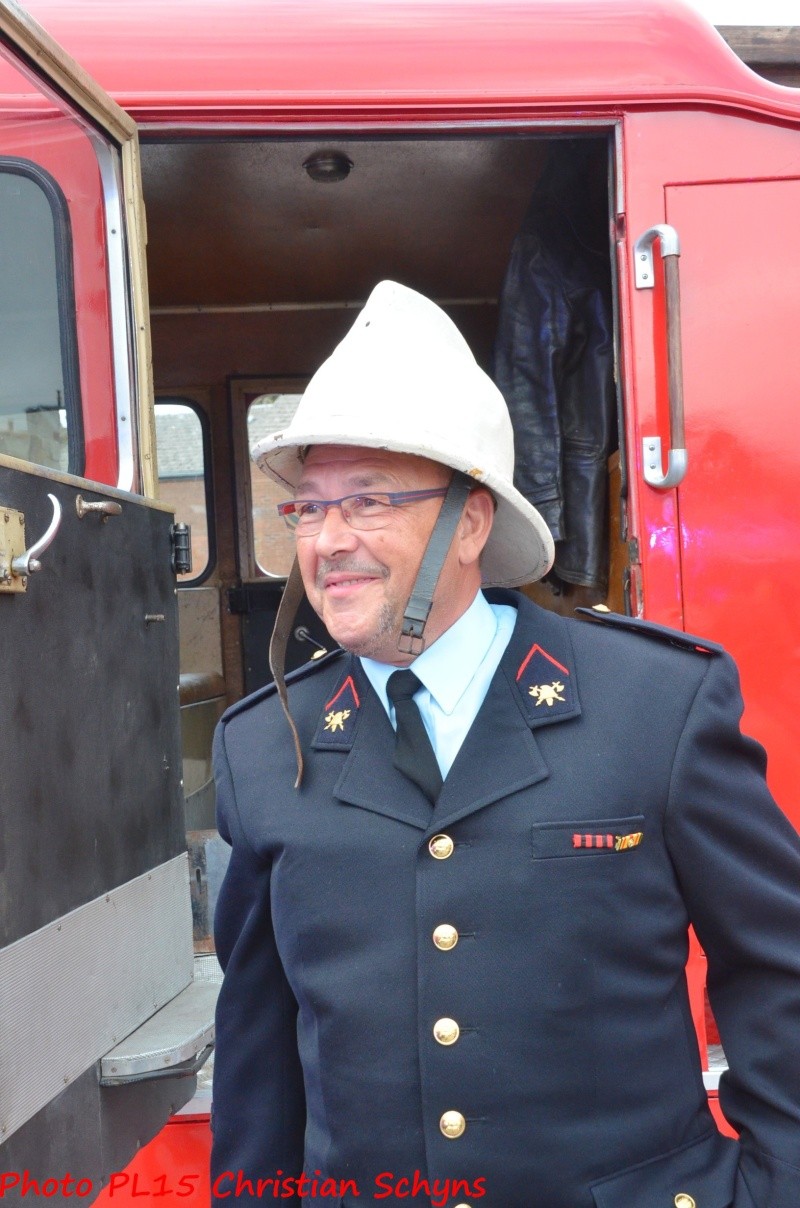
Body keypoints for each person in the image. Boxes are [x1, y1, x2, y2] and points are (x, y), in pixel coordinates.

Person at [211, 281, 800, 1208]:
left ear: (471, 522)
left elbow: (780, 968)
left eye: (366, 502)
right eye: (310, 509)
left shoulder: (656, 704)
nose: (327, 541)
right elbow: (259, 1047)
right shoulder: (259, 751)